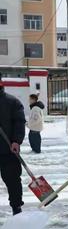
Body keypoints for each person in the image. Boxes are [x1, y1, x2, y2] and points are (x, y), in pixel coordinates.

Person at [0, 79, 26, 215]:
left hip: (8, 149)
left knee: (13, 181)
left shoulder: (12, 102)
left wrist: (16, 141)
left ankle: (16, 208)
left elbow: (20, 122)